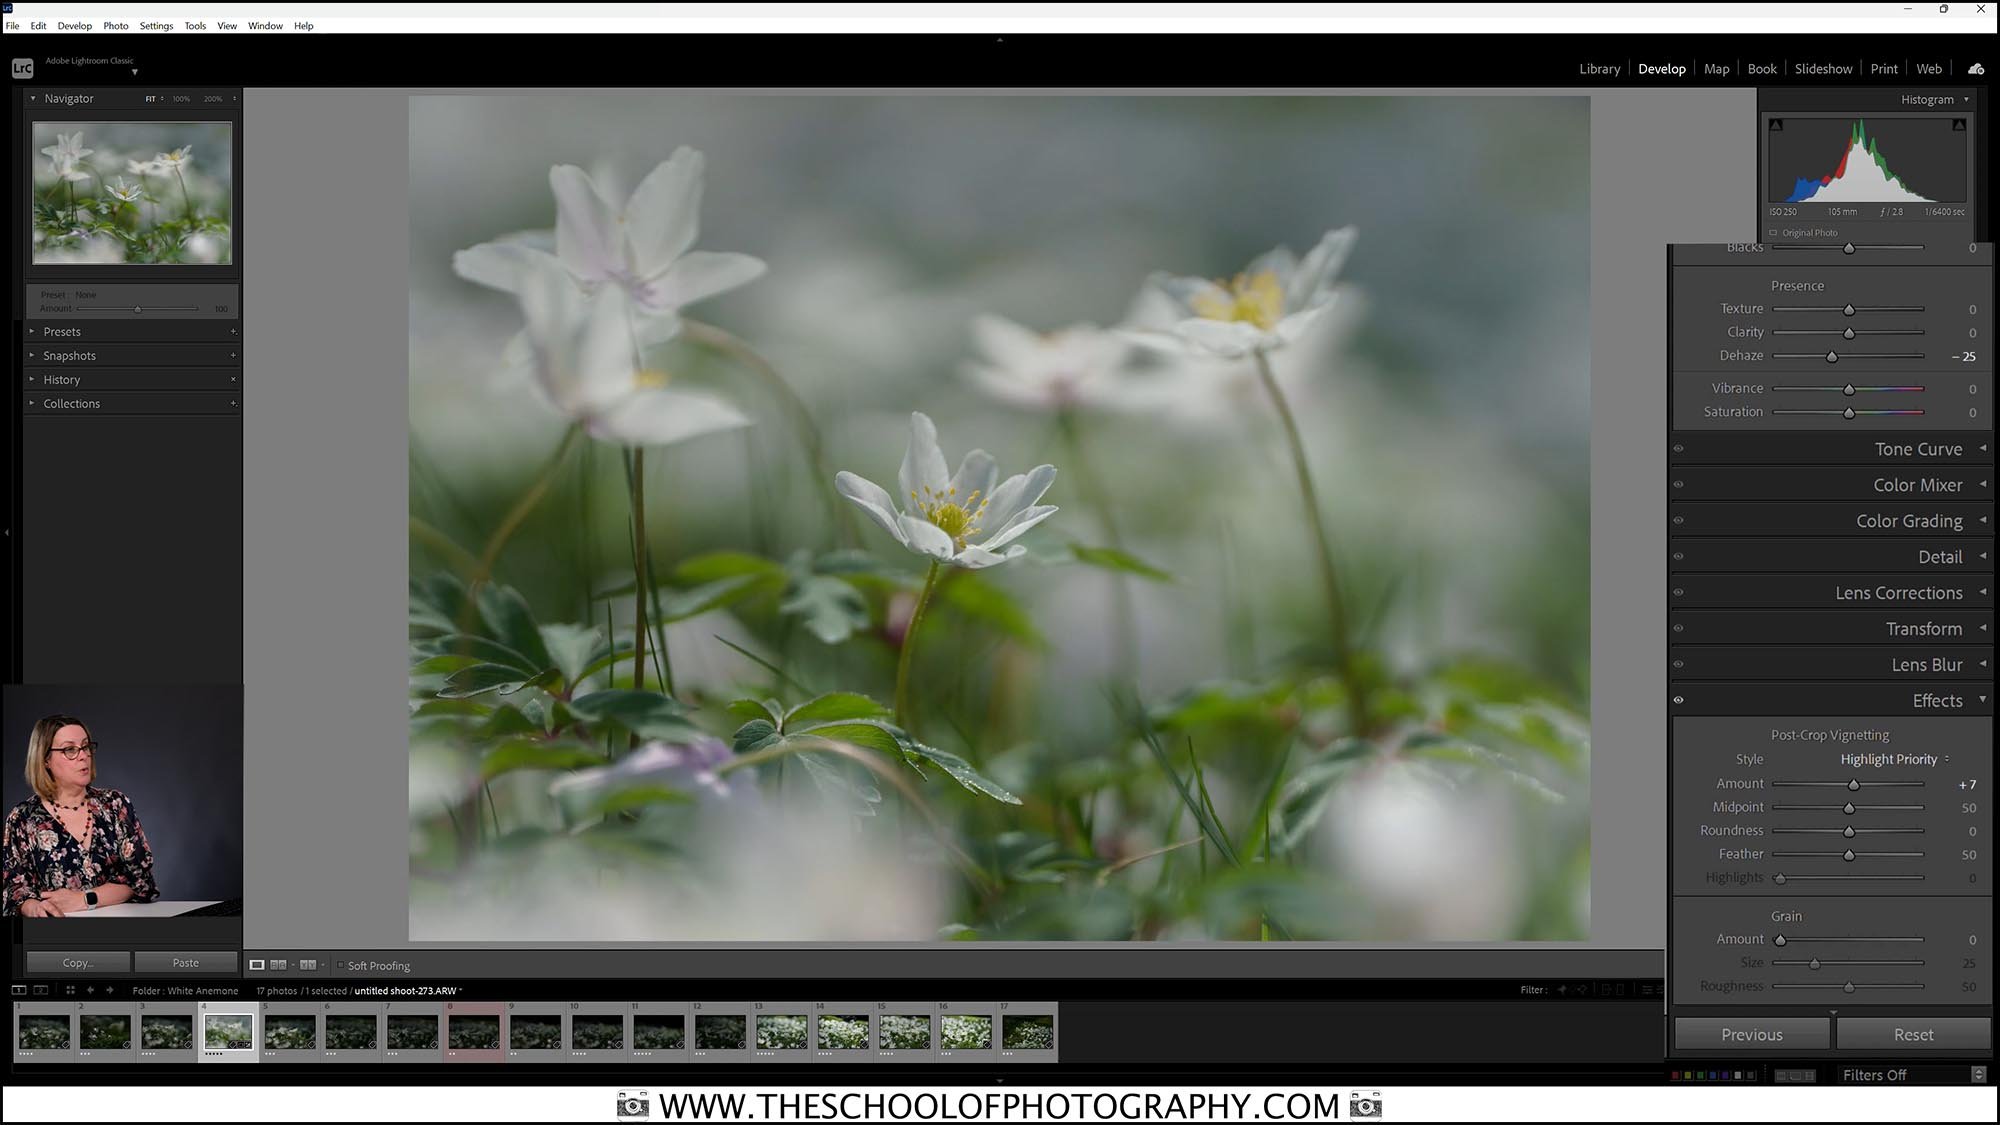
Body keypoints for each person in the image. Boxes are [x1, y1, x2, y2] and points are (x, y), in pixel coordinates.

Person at [3, 714, 159, 917]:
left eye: (85, 747)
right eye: (70, 749)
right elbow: (15, 892)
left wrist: (84, 899)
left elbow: (141, 880)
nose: (83, 755)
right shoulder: (22, 818)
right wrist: (34, 907)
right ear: (45, 760)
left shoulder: (114, 805)